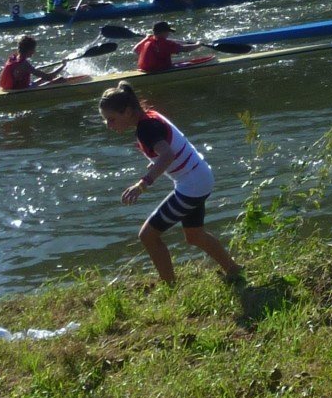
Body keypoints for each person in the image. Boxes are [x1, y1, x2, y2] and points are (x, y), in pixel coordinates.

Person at [98, 83, 240, 286]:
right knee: (195, 235)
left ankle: (169, 286)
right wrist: (155, 161)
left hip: (191, 185)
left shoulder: (145, 128)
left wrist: (142, 184)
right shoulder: (150, 116)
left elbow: (167, 155)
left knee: (148, 236)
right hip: (200, 177)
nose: (108, 125)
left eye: (111, 119)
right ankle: (234, 270)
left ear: (128, 112)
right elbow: (170, 148)